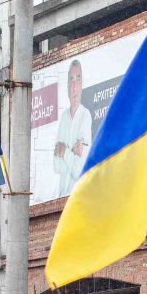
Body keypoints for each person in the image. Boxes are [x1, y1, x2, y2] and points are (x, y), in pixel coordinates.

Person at [52, 60, 93, 199]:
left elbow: (79, 169)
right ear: (67, 86)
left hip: (78, 197)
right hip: (61, 197)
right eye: (71, 79)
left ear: (82, 85)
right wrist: (71, 154)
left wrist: (64, 151)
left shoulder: (85, 116)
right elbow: (57, 166)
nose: (74, 85)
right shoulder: (64, 117)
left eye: (78, 79)